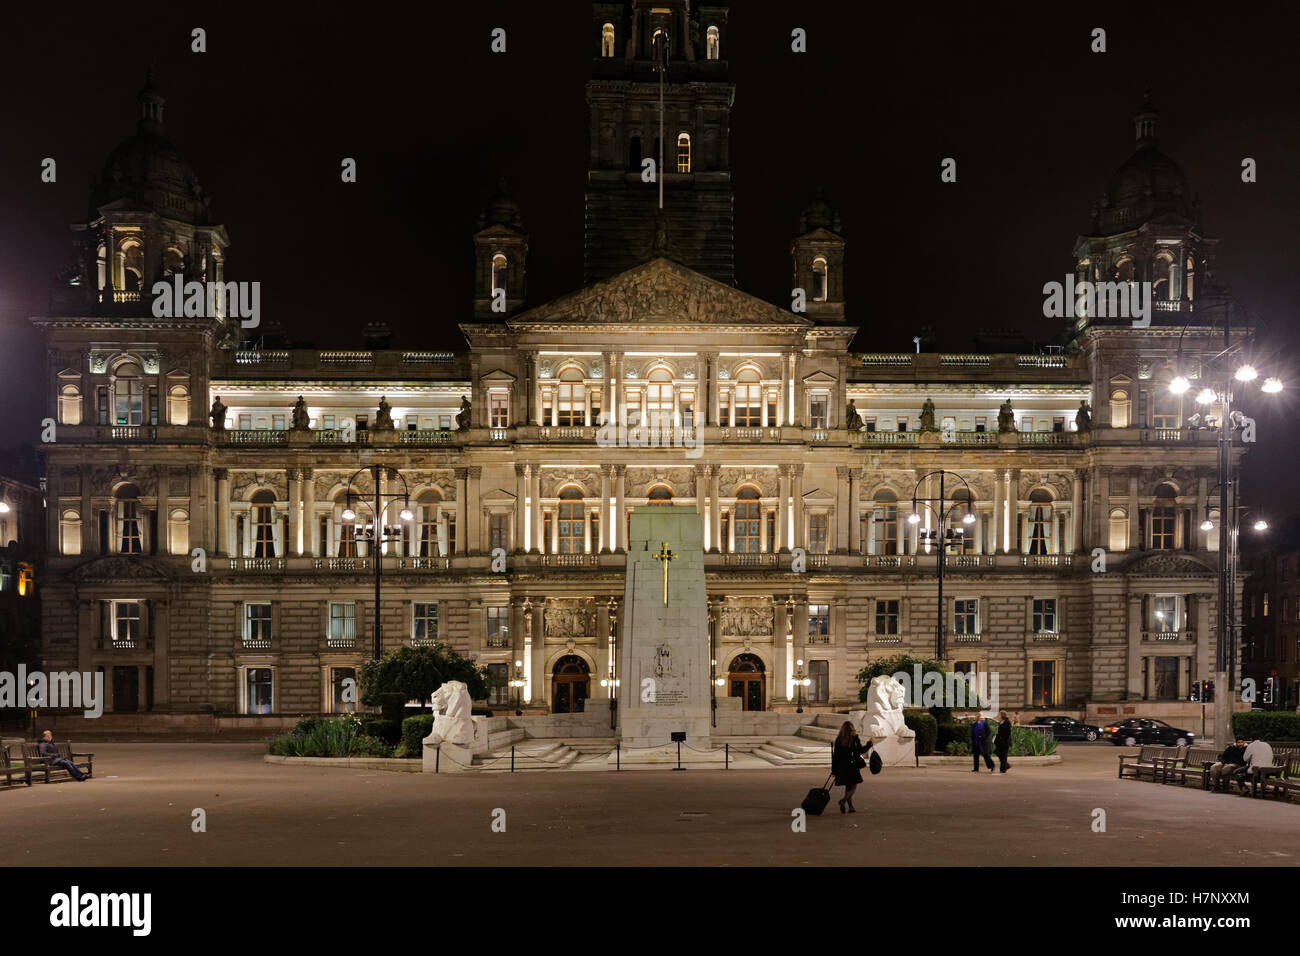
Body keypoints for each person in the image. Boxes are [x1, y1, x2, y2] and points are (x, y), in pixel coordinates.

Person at [831, 721, 872, 814]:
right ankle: (843, 800)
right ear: (852, 729)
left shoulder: (839, 740)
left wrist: (834, 771)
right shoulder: (855, 738)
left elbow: (835, 757)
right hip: (852, 766)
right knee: (853, 786)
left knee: (848, 787)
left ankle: (851, 807)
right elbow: (861, 750)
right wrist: (870, 743)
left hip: (842, 767)